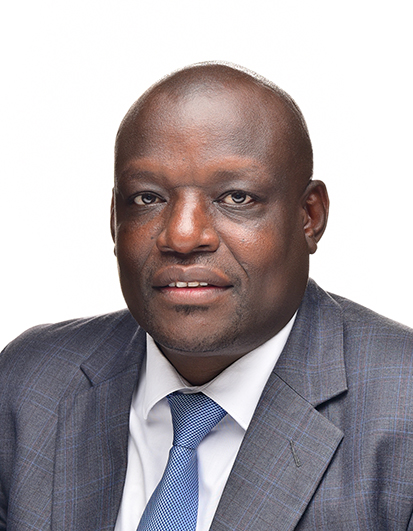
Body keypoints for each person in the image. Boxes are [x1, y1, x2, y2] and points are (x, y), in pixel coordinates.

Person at [1, 63, 413, 531]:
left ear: (309, 217)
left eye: (235, 197)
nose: (182, 235)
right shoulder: (29, 384)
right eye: (148, 198)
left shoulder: (402, 408)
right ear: (114, 219)